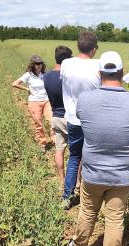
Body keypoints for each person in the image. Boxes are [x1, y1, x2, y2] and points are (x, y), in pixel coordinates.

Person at [67, 51, 129, 246]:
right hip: (122, 174)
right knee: (115, 218)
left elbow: (83, 121)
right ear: (123, 73)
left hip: (93, 172)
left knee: (88, 211)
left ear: (100, 73)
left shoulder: (85, 100)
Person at [60, 31, 100, 207]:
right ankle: (90, 197)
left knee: (74, 157)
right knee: (93, 158)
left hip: (73, 119)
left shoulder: (66, 64)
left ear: (77, 46)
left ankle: (67, 197)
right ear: (94, 49)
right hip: (93, 121)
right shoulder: (98, 65)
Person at [43, 46, 73, 194]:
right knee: (76, 153)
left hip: (56, 116)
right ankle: (77, 181)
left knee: (59, 150)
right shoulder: (69, 76)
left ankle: (62, 180)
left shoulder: (47, 76)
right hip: (70, 118)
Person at [12, 55, 55, 149]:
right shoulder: (28, 75)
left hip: (47, 101)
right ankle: (42, 144)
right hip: (34, 102)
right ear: (33, 64)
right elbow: (14, 84)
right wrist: (27, 89)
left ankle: (54, 140)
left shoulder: (45, 75)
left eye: (40, 63)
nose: (39, 65)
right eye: (36, 63)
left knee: (52, 121)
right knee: (38, 123)